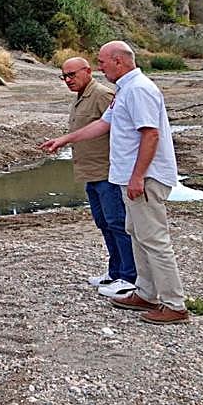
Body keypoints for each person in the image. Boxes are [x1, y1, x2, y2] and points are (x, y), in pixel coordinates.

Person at [40, 41, 188, 324]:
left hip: (144, 178)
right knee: (136, 233)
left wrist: (138, 176)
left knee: (154, 240)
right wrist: (64, 140)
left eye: (102, 62)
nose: (100, 67)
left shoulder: (139, 89)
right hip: (127, 178)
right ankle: (146, 292)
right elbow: (103, 125)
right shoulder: (125, 90)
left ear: (118, 61)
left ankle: (175, 304)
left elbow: (151, 135)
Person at [56, 56, 135, 297]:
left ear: (88, 71)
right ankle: (114, 272)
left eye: (72, 75)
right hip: (90, 173)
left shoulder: (102, 94)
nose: (68, 80)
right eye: (64, 76)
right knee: (104, 223)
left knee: (117, 224)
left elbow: (121, 128)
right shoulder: (80, 96)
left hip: (107, 173)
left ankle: (129, 276)